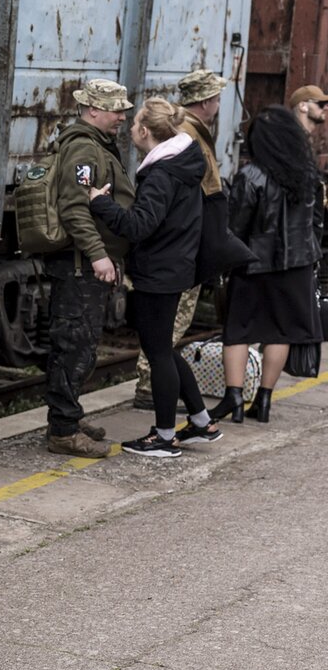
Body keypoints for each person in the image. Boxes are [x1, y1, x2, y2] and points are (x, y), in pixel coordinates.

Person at [88, 98, 221, 457]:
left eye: (134, 124)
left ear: (145, 131)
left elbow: (140, 225)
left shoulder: (161, 174)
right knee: (164, 347)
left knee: (158, 351)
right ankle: (201, 421)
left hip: (160, 272)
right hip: (175, 266)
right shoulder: (182, 162)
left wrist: (99, 203)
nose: (129, 128)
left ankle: (163, 437)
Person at [208, 106, 325, 424]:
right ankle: (264, 400)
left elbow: (236, 226)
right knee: (280, 332)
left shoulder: (251, 175)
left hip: (254, 267)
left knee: (238, 332)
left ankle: (233, 398)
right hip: (297, 267)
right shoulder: (308, 174)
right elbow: (316, 224)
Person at [41, 79, 135, 457]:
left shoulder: (94, 145)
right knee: (74, 346)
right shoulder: (84, 148)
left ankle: (69, 416)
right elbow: (75, 209)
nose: (122, 118)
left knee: (81, 346)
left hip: (84, 266)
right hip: (80, 268)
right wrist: (98, 255)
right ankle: (62, 432)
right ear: (93, 109)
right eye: (116, 110)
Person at [130, 69, 228, 410]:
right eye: (216, 97)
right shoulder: (187, 134)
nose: (218, 103)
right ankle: (151, 388)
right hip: (179, 249)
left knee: (166, 335)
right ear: (205, 100)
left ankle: (193, 414)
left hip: (180, 247)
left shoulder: (189, 131)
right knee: (166, 336)